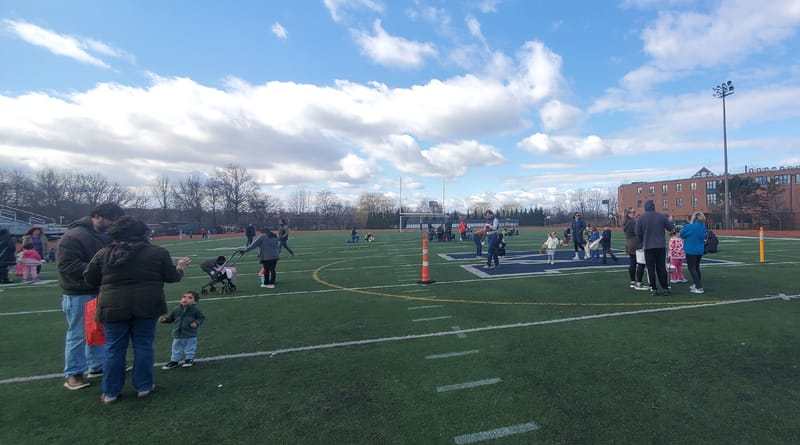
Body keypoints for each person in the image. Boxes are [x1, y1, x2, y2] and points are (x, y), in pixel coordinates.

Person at [83, 216, 191, 404]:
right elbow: (172, 277)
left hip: (112, 306)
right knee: (143, 345)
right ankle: (143, 386)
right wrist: (181, 268)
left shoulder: (104, 253)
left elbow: (89, 278)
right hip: (147, 305)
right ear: (143, 233)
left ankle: (110, 392)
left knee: (114, 348)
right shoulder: (157, 252)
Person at [57, 203, 125, 391]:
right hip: (78, 291)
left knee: (97, 330)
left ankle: (97, 365)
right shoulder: (73, 236)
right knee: (78, 333)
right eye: (112, 220)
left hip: (99, 288)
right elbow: (67, 265)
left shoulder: (102, 235)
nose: (113, 225)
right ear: (98, 216)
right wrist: (100, 268)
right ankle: (74, 373)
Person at [635, 199, 675, 296]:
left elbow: (638, 233)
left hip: (648, 246)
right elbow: (671, 228)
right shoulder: (661, 216)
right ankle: (665, 287)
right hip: (660, 246)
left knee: (650, 268)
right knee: (661, 267)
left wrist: (643, 240)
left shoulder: (641, 218)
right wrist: (670, 221)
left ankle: (653, 288)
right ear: (654, 207)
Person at [160, 290, 206, 369]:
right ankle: (174, 361)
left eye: (190, 298)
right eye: (184, 297)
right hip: (177, 334)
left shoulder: (195, 310)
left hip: (190, 334)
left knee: (190, 348)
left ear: (195, 302)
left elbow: (201, 318)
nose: (185, 299)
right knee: (176, 348)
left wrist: (196, 323)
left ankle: (189, 359)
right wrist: (164, 320)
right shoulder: (176, 310)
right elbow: (170, 319)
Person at [681, 212, 707, 294]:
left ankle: (699, 287)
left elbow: (681, 234)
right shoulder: (703, 227)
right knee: (696, 267)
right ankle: (696, 284)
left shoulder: (690, 226)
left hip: (691, 250)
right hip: (700, 250)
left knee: (692, 268)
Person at [622, 208, 648, 290]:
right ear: (628, 214)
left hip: (629, 244)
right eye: (633, 212)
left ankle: (632, 281)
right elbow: (640, 231)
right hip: (636, 244)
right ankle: (639, 283)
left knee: (633, 263)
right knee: (641, 263)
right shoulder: (633, 222)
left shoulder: (626, 222)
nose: (634, 213)